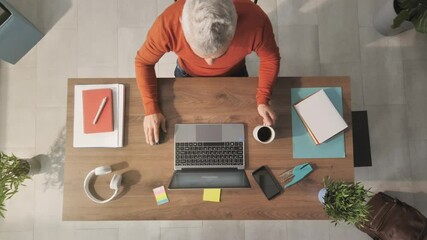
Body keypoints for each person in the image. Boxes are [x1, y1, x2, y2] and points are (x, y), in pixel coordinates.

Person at [135, 0, 280, 145]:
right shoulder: (167, 24)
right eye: (202, 55)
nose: (210, 64)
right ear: (182, 24)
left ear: (235, 26)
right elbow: (143, 62)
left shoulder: (256, 21)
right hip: (186, 74)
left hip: (235, 73)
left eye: (218, 56)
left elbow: (270, 58)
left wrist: (263, 99)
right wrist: (151, 108)